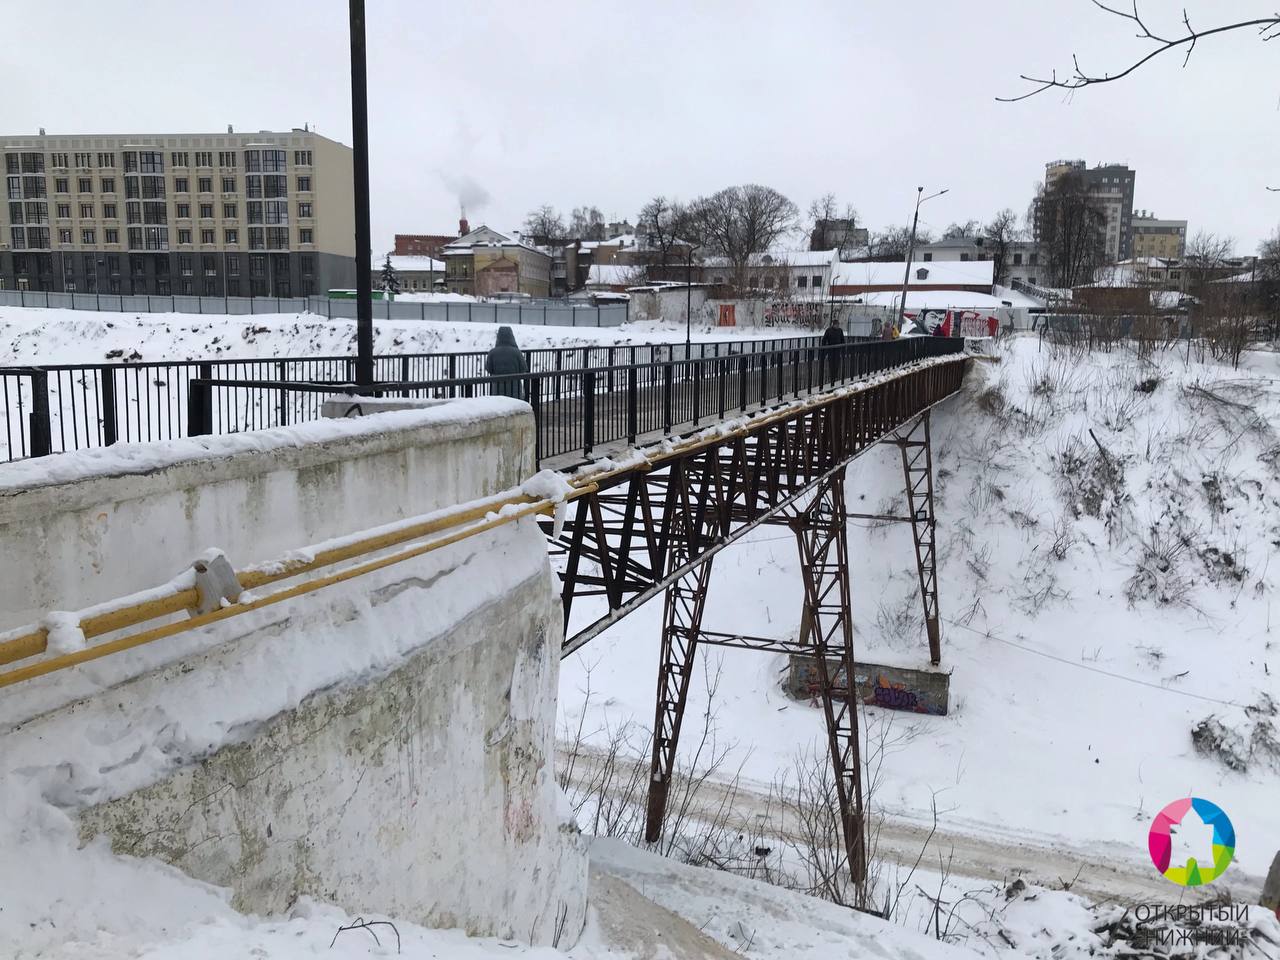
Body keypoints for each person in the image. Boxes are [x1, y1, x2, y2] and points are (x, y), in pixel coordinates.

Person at [485, 326, 529, 400]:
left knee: (499, 407)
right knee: (515, 406)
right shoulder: (517, 352)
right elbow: (523, 368)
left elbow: (489, 369)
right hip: (514, 388)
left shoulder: (492, 352)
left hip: (497, 388)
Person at [821, 316, 845, 381]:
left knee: (837, 362)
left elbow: (842, 339)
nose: (838, 326)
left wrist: (842, 347)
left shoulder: (840, 331)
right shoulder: (828, 330)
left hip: (837, 349)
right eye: (837, 325)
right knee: (831, 362)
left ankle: (835, 375)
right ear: (833, 325)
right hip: (831, 349)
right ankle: (832, 375)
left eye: (838, 325)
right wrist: (824, 347)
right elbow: (824, 339)